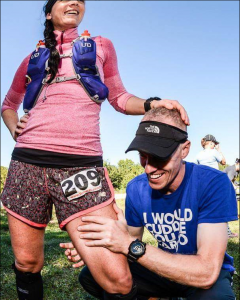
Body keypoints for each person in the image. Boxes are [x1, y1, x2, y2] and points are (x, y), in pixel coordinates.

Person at [0, 1, 190, 299]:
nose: (75, 1)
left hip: (81, 166)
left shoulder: (101, 46)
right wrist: (14, 129)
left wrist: (153, 103)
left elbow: (119, 97)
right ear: (49, 13)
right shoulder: (30, 59)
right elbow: (8, 104)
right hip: (27, 164)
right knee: (27, 262)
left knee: (117, 280)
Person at [61, 107, 237, 299]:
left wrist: (129, 244)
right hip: (164, 270)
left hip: (202, 276)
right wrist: (101, 243)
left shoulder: (213, 183)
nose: (148, 168)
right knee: (95, 276)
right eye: (143, 155)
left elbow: (206, 272)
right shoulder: (136, 189)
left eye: (159, 156)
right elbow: (129, 242)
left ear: (184, 149)